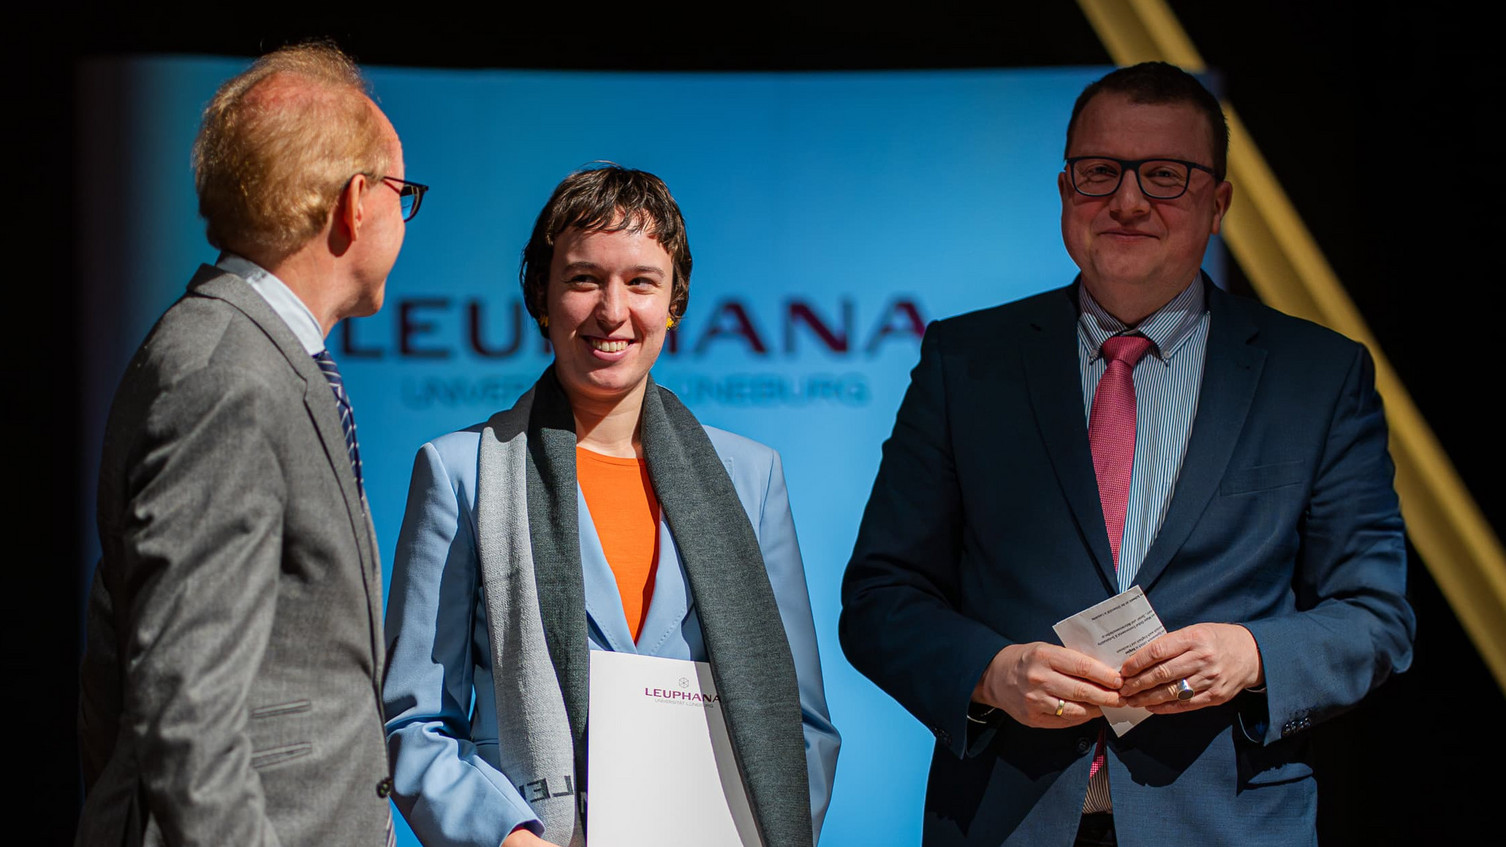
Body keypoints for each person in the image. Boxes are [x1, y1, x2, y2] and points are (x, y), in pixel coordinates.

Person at [839, 62, 1414, 846]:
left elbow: (1376, 617)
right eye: (1100, 172)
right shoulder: (967, 361)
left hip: (1229, 824)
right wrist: (991, 673)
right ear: (1065, 191)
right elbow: (880, 597)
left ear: (1219, 203)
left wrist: (1250, 653)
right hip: (1006, 821)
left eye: (1166, 176)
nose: (1129, 199)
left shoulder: (1315, 375)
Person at [382, 164, 840, 847]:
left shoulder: (752, 478)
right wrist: (505, 838)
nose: (613, 310)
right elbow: (416, 723)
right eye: (585, 279)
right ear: (542, 294)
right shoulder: (460, 473)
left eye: (641, 282)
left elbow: (797, 723)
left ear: (675, 301)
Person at [76, 43, 426, 846]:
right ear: (354, 202)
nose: (402, 219)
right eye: (402, 194)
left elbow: (113, 656)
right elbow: (183, 702)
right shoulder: (228, 374)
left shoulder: (243, 352)